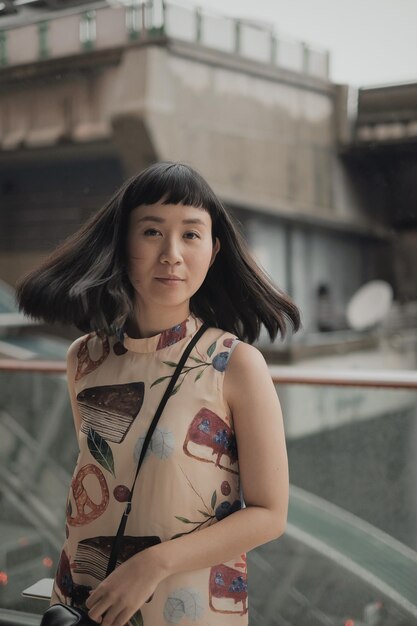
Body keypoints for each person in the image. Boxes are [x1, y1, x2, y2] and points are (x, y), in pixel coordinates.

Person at [17, 161, 300, 626]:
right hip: (85, 600)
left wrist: (154, 564)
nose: (172, 253)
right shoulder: (83, 359)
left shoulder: (236, 364)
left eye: (191, 234)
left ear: (213, 250)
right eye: (151, 232)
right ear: (122, 243)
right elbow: (101, 485)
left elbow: (270, 515)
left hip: (184, 604)